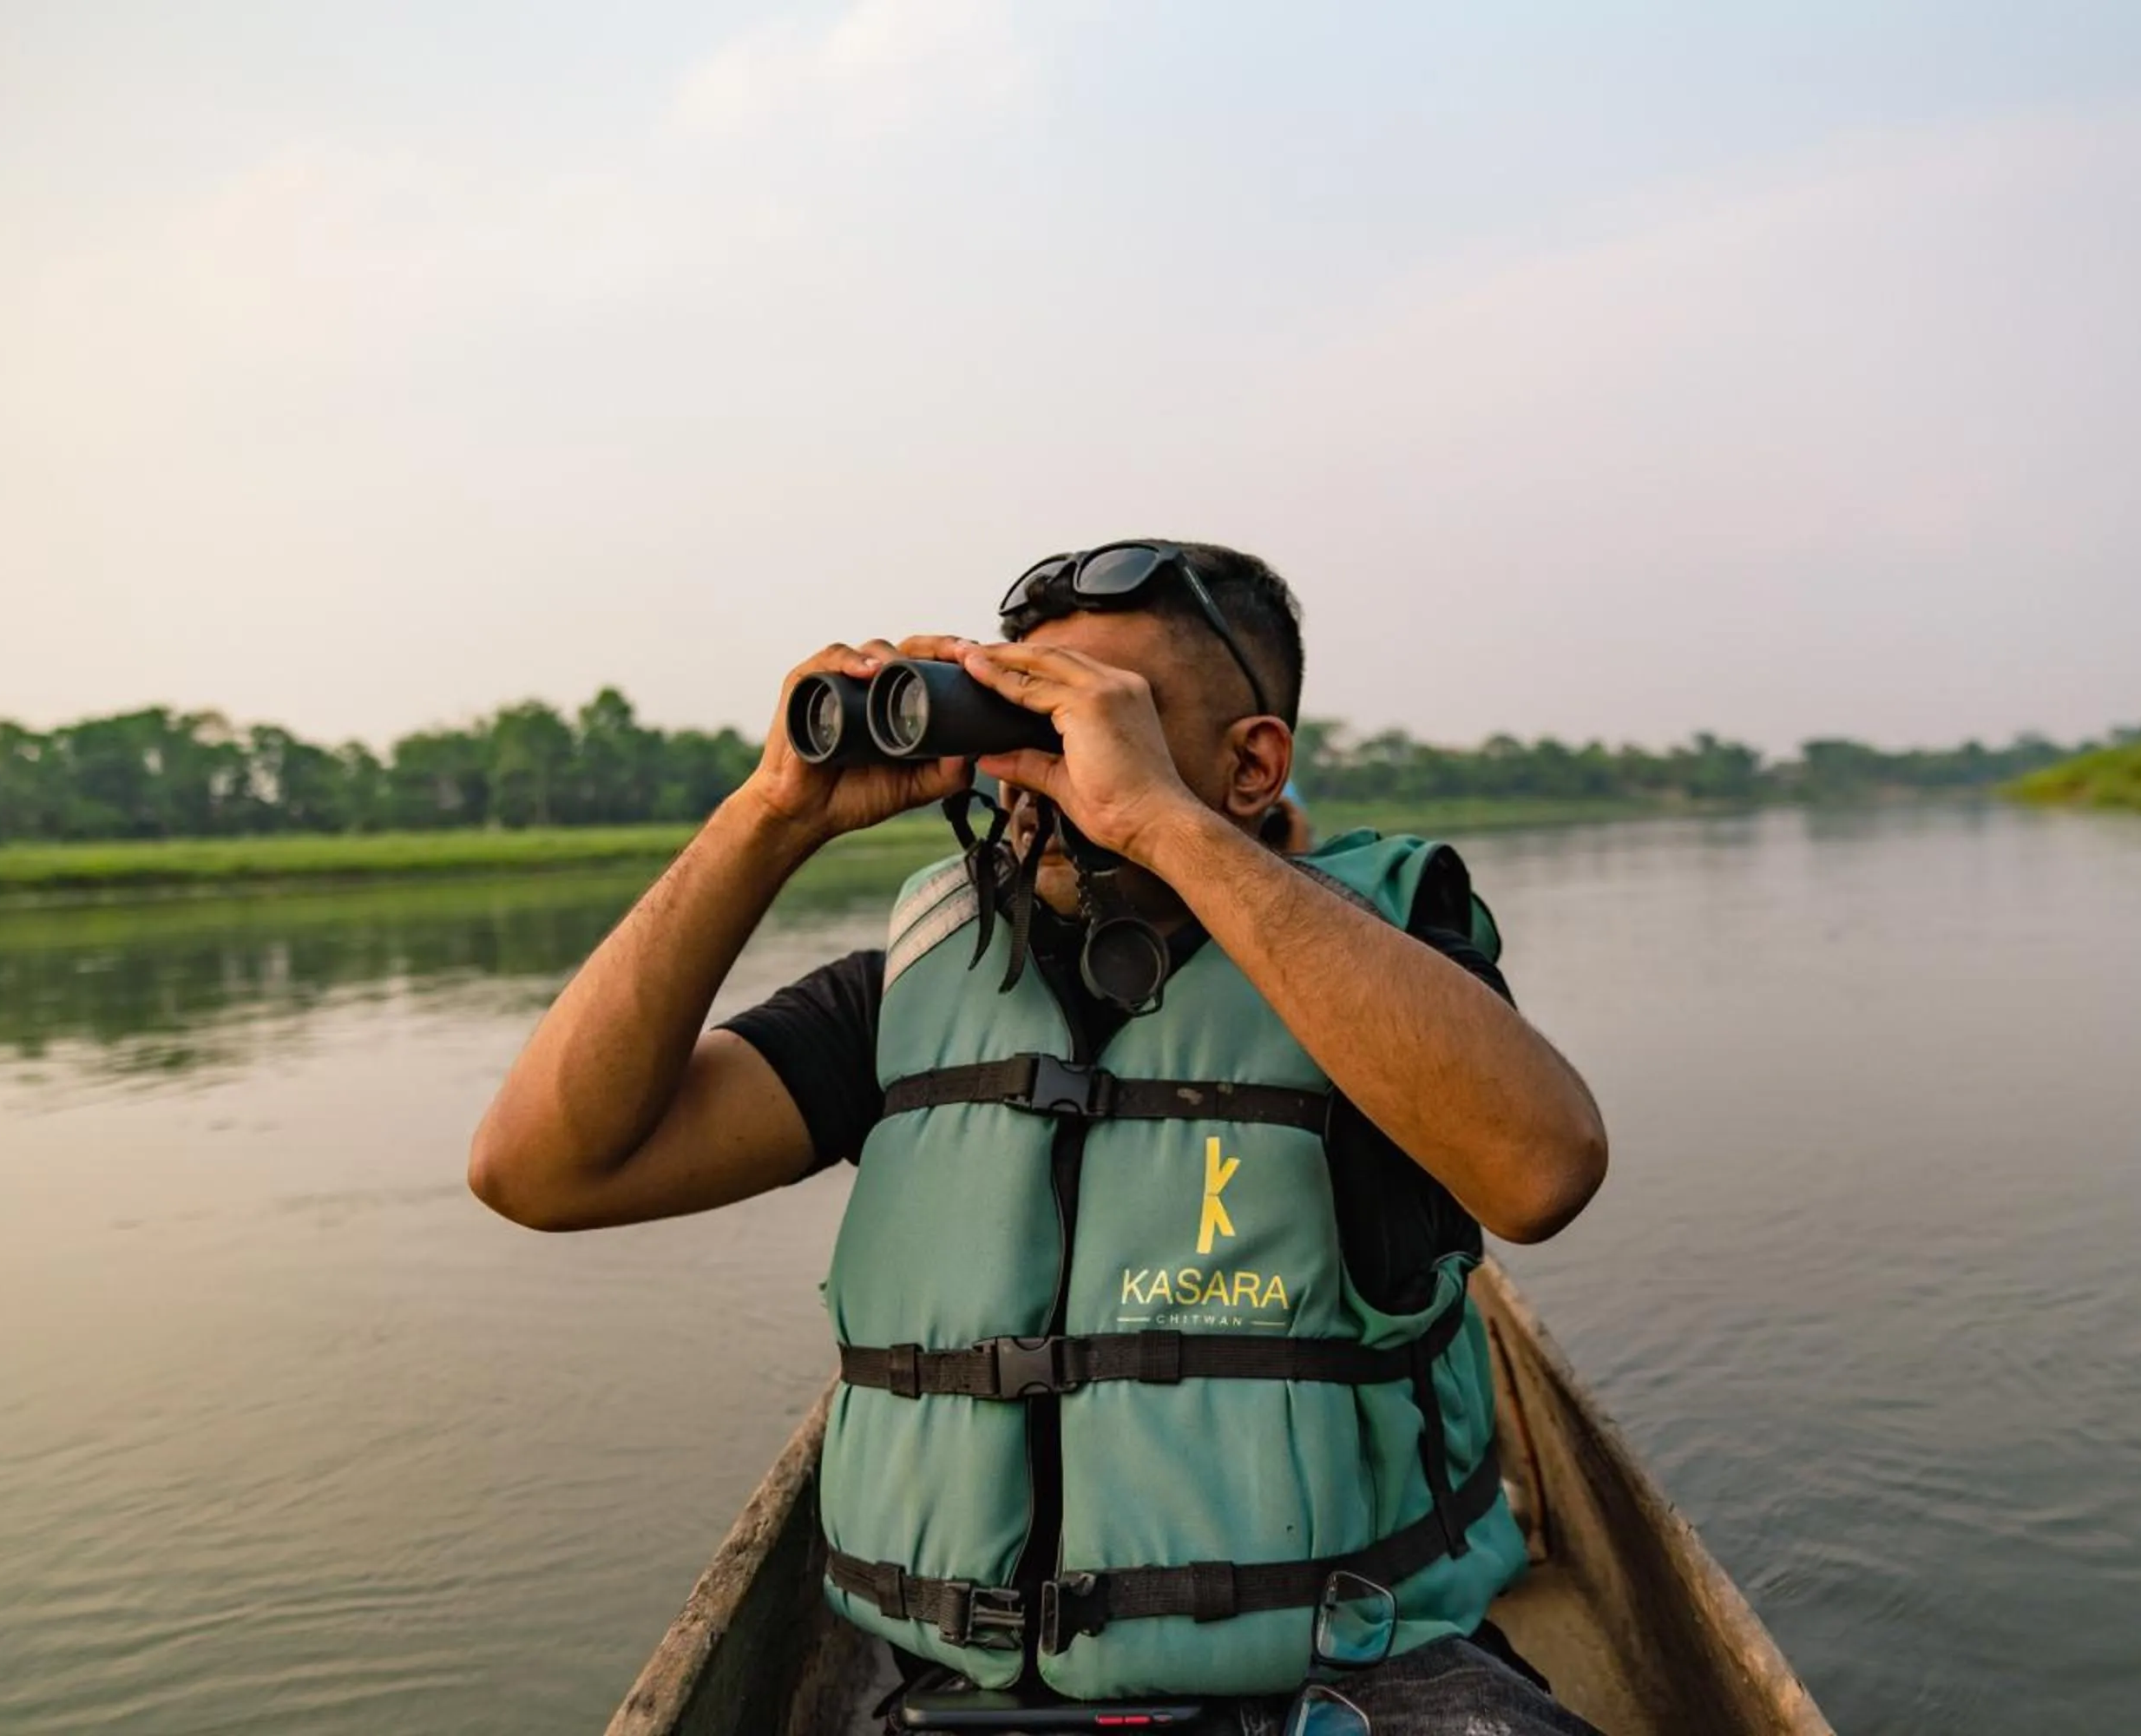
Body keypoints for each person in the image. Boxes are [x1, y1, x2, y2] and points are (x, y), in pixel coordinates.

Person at [470, 542, 1609, 1733]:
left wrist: (1164, 825)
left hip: (1353, 1680)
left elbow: (1541, 1170)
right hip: (951, 1695)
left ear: (1251, 762)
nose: (1044, 762)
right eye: (1024, 707)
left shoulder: (1372, 966)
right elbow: (540, 1170)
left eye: (1095, 714)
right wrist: (767, 817)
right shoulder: (913, 991)